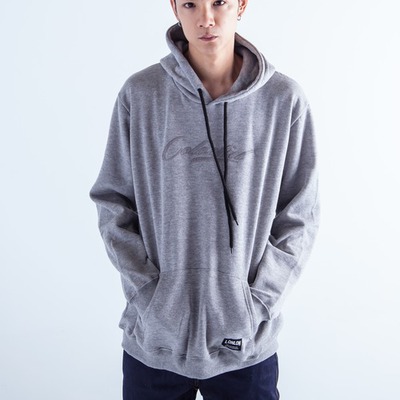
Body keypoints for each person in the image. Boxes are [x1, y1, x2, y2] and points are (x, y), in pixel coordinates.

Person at [89, 0, 320, 398]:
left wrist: (258, 304)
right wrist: (148, 296)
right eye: (191, 4)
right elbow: (113, 203)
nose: (206, 19)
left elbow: (300, 216)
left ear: (241, 5)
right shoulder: (141, 95)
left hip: (246, 348)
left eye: (219, 2)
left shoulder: (284, 100)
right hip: (155, 347)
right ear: (175, 8)